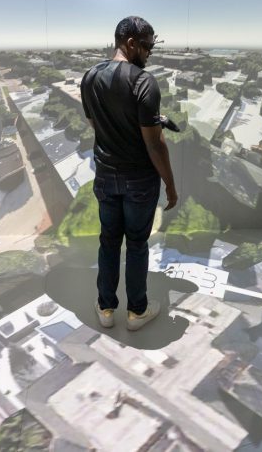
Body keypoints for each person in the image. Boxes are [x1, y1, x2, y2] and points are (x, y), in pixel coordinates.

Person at [81, 16, 177, 331]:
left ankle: (106, 309)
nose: (150, 52)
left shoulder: (89, 77)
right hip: (139, 180)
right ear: (131, 43)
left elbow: (98, 126)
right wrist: (171, 185)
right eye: (148, 46)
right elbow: (155, 146)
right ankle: (137, 312)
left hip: (106, 177)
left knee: (109, 241)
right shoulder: (143, 81)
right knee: (136, 243)